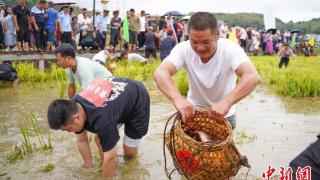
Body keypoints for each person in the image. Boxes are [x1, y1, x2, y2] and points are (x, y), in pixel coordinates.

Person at [153, 12, 260, 129]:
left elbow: (252, 76)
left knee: (219, 148)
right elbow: (160, 73)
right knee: (187, 147)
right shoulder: (183, 48)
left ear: (218, 35)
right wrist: (177, 99)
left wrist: (227, 102)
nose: (200, 48)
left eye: (206, 42)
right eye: (194, 42)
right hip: (193, 113)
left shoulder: (230, 49)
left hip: (223, 115)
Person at [47, 77, 150, 178]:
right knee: (100, 139)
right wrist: (88, 168)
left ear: (77, 118)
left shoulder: (102, 120)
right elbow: (82, 141)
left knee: (129, 152)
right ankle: (113, 169)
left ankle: (126, 171)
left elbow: (110, 157)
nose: (69, 132)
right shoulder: (73, 107)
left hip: (137, 99)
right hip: (115, 103)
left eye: (67, 129)